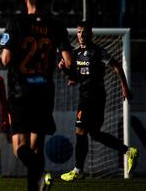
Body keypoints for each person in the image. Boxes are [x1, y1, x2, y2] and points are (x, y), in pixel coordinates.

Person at [0, 0, 73, 191]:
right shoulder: (57, 26)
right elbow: (69, 62)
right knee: (36, 146)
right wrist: (70, 74)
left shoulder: (15, 22)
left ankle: (40, 175)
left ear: (26, 0)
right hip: (44, 91)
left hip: (20, 91)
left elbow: (5, 59)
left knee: (20, 147)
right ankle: (38, 184)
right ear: (47, 1)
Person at [59, 21, 139, 181]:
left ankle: (77, 170)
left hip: (93, 95)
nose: (82, 35)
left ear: (91, 34)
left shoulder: (98, 51)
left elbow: (117, 66)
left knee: (80, 131)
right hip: (87, 94)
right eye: (80, 32)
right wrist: (64, 69)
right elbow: (73, 79)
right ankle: (128, 151)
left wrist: (125, 87)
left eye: (85, 32)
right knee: (94, 133)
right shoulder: (75, 54)